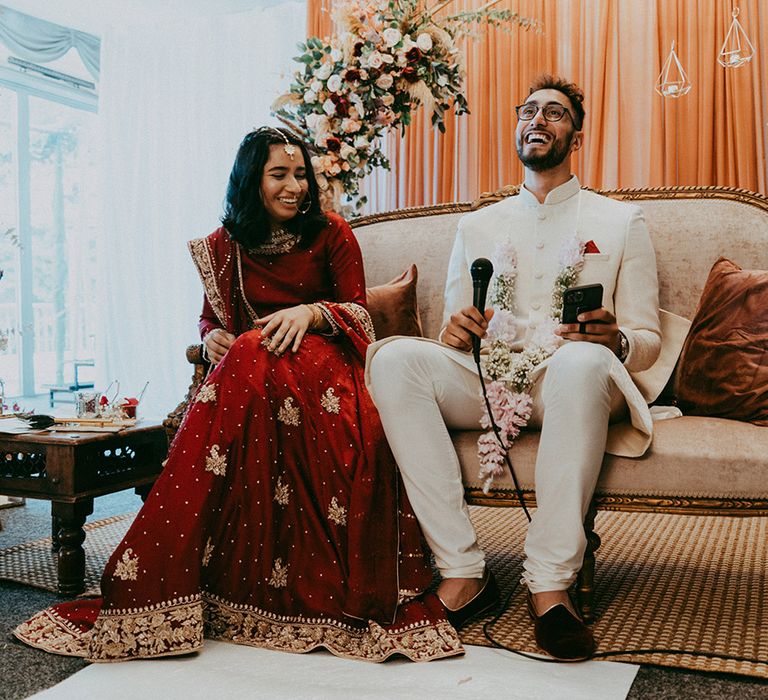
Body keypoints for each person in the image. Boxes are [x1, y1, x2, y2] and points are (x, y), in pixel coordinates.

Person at [14, 127, 462, 663]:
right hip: (255, 376)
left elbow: (360, 314)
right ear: (252, 181)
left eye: (301, 174)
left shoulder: (332, 233)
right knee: (245, 350)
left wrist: (311, 312)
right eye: (280, 175)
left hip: (328, 369)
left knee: (248, 351)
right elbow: (209, 316)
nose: (295, 186)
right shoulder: (225, 246)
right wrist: (210, 338)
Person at [366, 75, 662, 661]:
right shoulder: (477, 226)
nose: (538, 120)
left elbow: (648, 340)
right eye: (529, 110)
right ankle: (463, 572)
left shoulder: (620, 221)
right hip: (489, 378)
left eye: (554, 113)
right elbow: (458, 326)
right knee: (396, 357)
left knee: (581, 362)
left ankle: (550, 587)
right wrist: (454, 333)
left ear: (575, 136)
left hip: (568, 381)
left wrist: (617, 339)